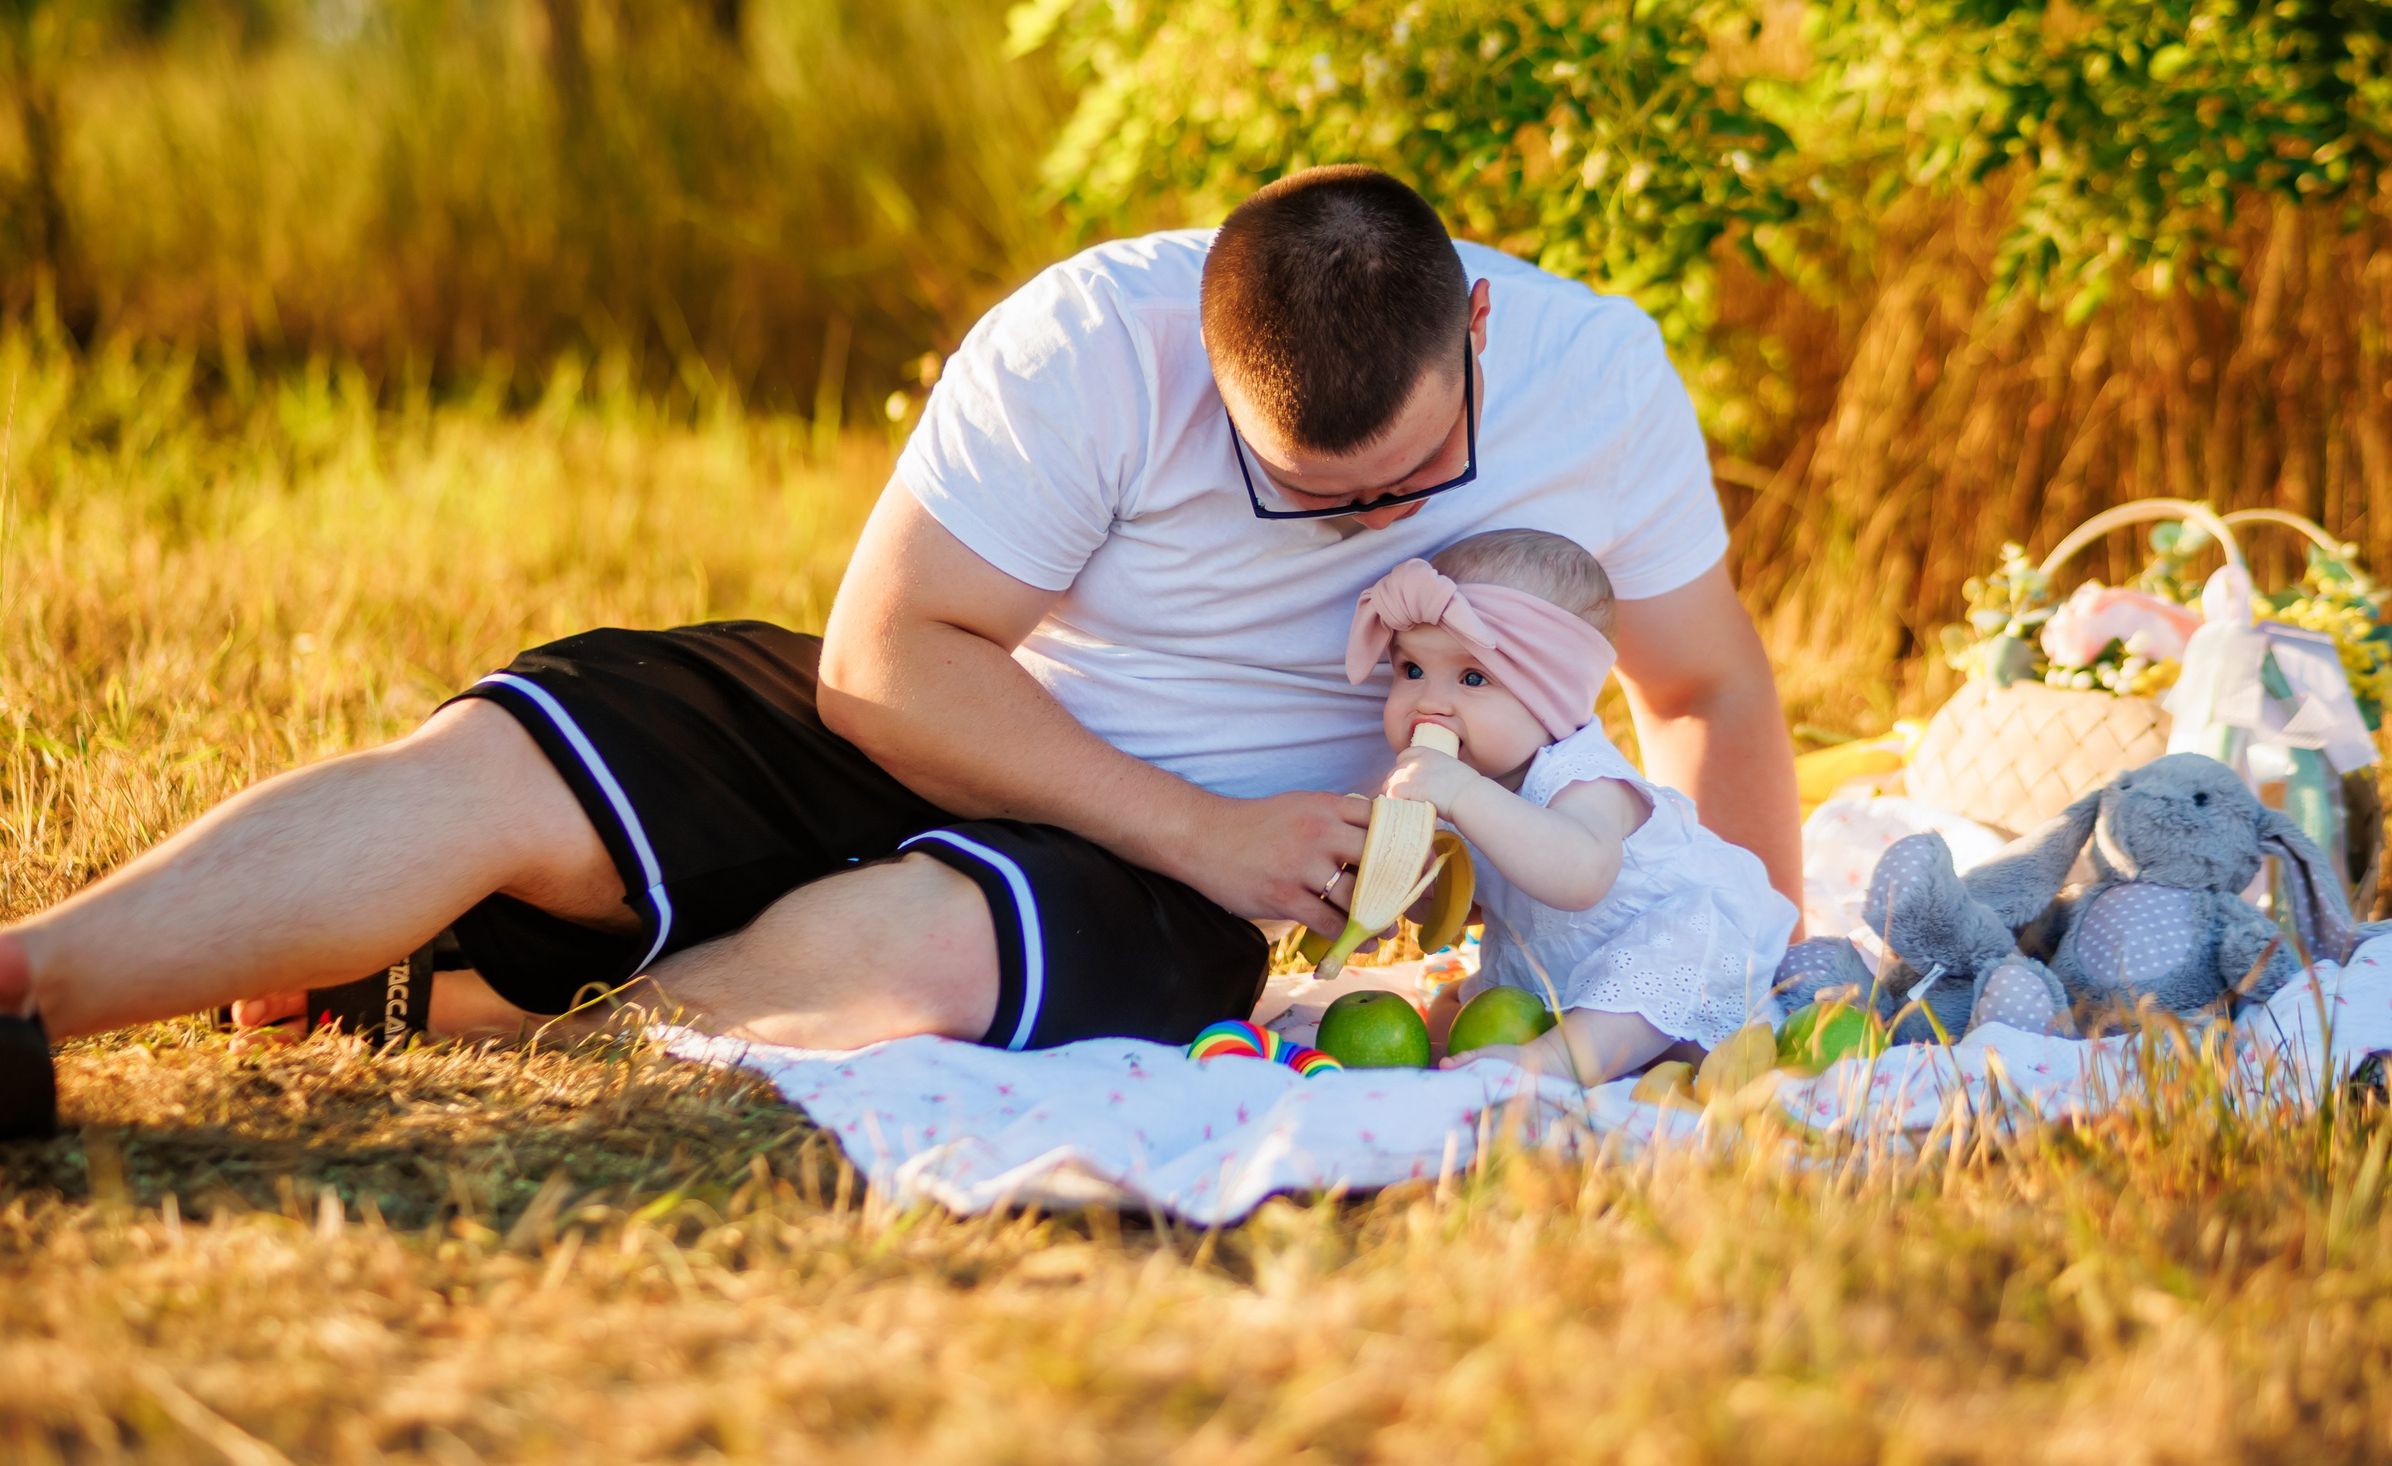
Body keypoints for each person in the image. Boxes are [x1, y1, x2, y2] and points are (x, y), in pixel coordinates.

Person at [0, 165, 1801, 1137]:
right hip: (952, 726)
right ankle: (31, 989)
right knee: (492, 772)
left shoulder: (1599, 377)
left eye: (1410, 482)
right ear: (1207, 355)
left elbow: (1707, 691)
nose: (1360, 523)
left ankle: (504, 999)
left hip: (1171, 889)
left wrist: (1761, 969)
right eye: (1306, 490)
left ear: (1479, 321)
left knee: (918, 951)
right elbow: (882, 664)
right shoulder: (1091, 341)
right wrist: (1192, 820)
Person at [1342, 534, 1798, 1085]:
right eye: (1411, 670)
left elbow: (1580, 878)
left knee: (1678, 950)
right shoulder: (1460, 782)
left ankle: (1554, 1063)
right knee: (1450, 1016)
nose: (1428, 702)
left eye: (1472, 678)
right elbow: (1459, 909)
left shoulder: (1582, 778)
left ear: (1552, 696)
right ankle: (1473, 1062)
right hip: (1556, 973)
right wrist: (1400, 883)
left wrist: (1462, 794)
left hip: (1675, 958)